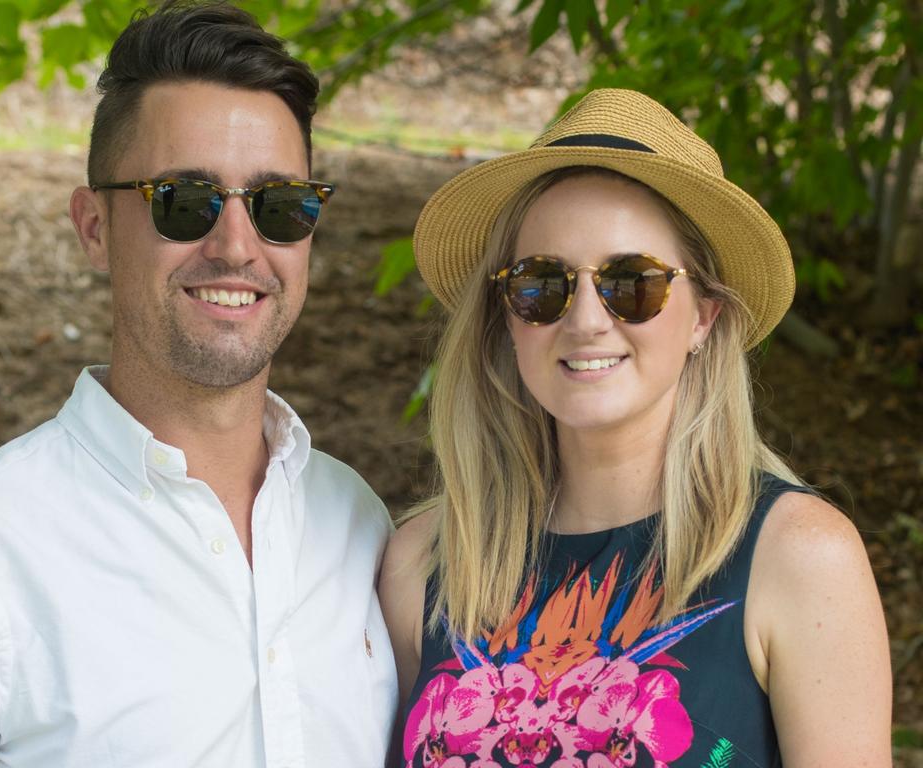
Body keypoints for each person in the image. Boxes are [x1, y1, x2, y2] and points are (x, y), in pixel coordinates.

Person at [0, 2, 397, 766]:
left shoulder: (357, 526)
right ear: (94, 228)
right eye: (184, 201)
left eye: (280, 207)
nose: (237, 246)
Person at [380, 88, 891, 768]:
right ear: (508, 316)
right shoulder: (425, 564)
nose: (586, 319)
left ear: (704, 317)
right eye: (542, 284)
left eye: (633, 283)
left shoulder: (800, 558)